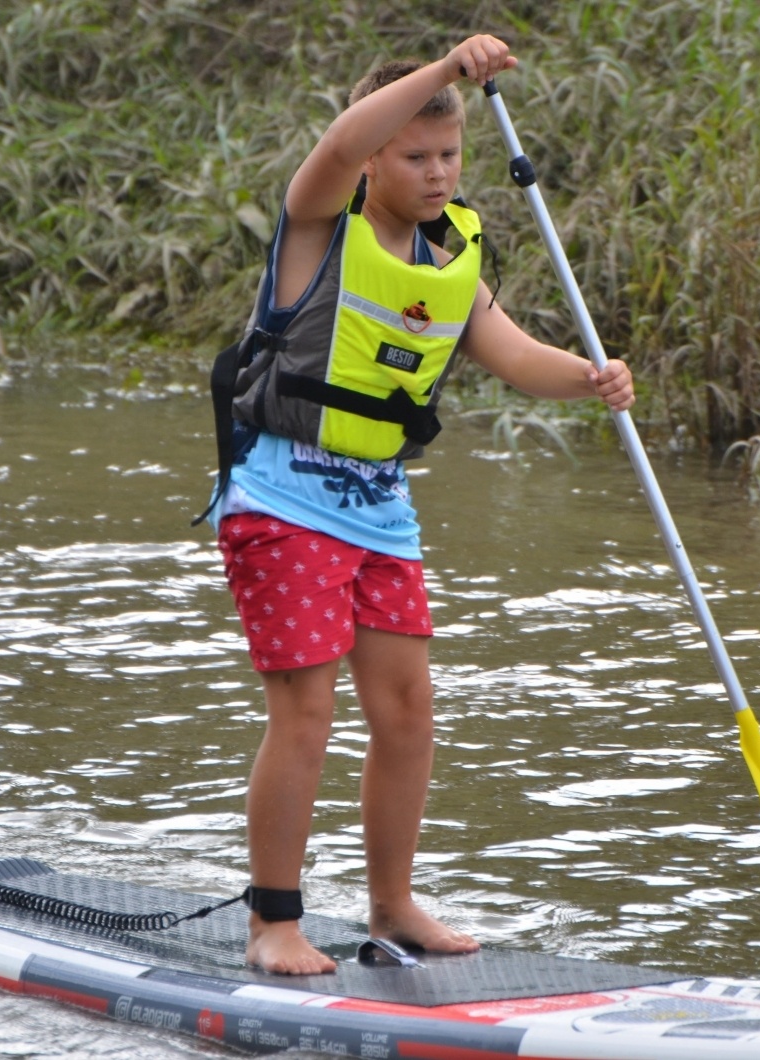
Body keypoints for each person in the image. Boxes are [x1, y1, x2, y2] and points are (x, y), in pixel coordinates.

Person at [202, 33, 635, 975]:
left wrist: (590, 378)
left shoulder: (451, 259)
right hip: (281, 496)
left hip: (378, 507)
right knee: (305, 711)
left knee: (407, 710)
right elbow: (334, 148)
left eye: (449, 156)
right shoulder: (321, 223)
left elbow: (514, 353)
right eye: (415, 156)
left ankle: (393, 906)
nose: (437, 174)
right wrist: (442, 70)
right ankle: (275, 920)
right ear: (375, 158)